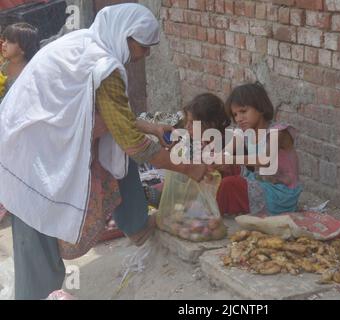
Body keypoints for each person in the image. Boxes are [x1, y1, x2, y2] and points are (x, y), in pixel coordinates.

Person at [0, 4, 207, 300]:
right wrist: (189, 169)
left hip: (35, 144)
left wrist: (151, 127)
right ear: (126, 37)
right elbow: (131, 143)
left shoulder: (85, 42)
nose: (144, 56)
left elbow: (106, 116)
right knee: (38, 248)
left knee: (113, 158)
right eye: (143, 48)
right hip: (33, 158)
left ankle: (136, 225)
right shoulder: (104, 65)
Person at [216, 82, 303, 216]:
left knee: (230, 184)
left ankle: (214, 211)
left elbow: (264, 160)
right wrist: (216, 162)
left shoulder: (278, 132)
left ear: (260, 108)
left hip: (279, 193)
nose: (239, 118)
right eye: (235, 115)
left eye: (243, 111)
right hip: (259, 181)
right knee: (225, 171)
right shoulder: (243, 131)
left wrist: (230, 159)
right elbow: (226, 152)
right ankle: (216, 203)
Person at [137, 93, 232, 208]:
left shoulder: (224, 143)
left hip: (215, 190)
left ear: (211, 124)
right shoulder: (199, 141)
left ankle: (162, 199)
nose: (187, 127)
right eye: (187, 122)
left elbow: (212, 175)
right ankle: (157, 196)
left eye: (192, 123)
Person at [0, 23, 40, 224]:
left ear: (22, 48)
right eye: (4, 39)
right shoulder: (3, 69)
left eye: (10, 41)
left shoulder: (31, 72)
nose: (4, 44)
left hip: (22, 134)